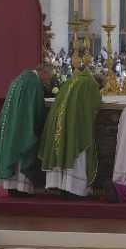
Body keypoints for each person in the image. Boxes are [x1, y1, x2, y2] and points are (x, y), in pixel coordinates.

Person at [0, 64, 54, 195]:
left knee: (12, 151)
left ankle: (11, 187)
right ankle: (21, 189)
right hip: (23, 126)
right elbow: (36, 108)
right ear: (43, 72)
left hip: (12, 124)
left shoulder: (19, 79)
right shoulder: (33, 83)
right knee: (22, 150)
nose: (47, 81)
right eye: (48, 77)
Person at [38, 69, 102, 197]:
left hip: (59, 123)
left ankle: (61, 186)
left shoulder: (70, 81)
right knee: (76, 154)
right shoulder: (90, 84)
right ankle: (74, 190)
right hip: (76, 126)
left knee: (62, 149)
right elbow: (95, 105)